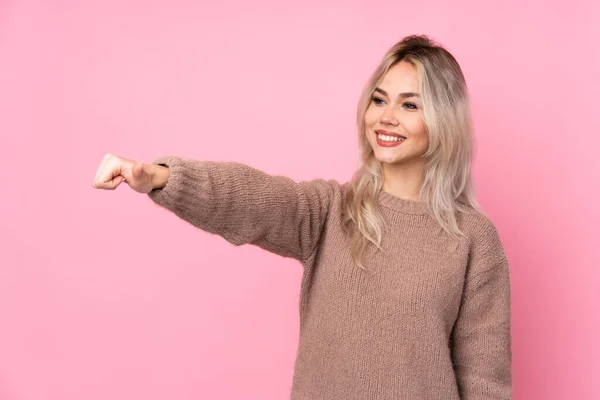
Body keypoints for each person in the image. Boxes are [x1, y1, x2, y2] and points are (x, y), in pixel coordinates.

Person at [92, 34, 512, 400]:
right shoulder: (330, 212)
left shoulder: (473, 239)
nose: (385, 117)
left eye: (409, 105)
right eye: (379, 99)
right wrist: (162, 178)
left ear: (442, 121)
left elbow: (484, 382)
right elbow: (250, 199)